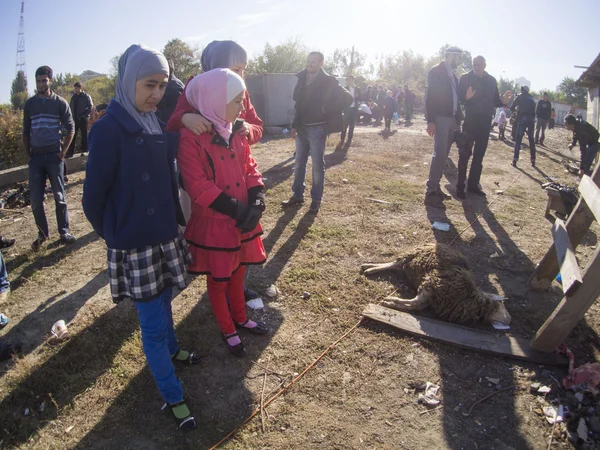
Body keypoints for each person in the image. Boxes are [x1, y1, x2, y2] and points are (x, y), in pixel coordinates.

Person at [83, 44, 200, 432]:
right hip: (136, 244)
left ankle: (173, 349)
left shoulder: (154, 121)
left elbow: (168, 180)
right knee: (150, 322)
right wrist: (118, 233)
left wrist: (175, 219)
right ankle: (172, 393)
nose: (157, 94)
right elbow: (93, 200)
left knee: (166, 296)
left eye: (163, 85)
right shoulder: (107, 129)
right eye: (149, 84)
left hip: (165, 233)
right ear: (128, 81)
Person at [177, 68, 268, 358]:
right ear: (216, 99)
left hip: (241, 219)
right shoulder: (192, 137)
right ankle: (228, 328)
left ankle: (241, 318)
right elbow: (197, 184)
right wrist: (234, 208)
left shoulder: (236, 130)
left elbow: (249, 167)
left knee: (239, 273)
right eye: (237, 100)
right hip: (217, 222)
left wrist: (257, 198)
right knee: (219, 280)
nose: (243, 107)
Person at [166, 40, 264, 302]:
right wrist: (186, 118)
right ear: (215, 67)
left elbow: (257, 126)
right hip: (205, 176)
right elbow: (173, 121)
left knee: (240, 229)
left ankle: (237, 285)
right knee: (210, 227)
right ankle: (214, 274)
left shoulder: (240, 91)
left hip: (235, 172)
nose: (240, 75)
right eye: (235, 68)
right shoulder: (195, 86)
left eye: (244, 69)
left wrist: (248, 130)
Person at [281, 51, 352, 213]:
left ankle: (316, 200)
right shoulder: (302, 78)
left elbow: (348, 98)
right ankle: (297, 195)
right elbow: (298, 104)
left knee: (317, 165)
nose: (309, 63)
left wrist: (329, 108)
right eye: (308, 60)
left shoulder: (328, 81)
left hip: (318, 128)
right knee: (299, 163)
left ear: (321, 63)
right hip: (302, 128)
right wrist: (294, 125)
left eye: (313, 61)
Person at [23, 66, 76, 251]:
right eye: (38, 81)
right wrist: (29, 155)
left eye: (44, 80)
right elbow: (26, 131)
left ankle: (64, 231)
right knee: (36, 200)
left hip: (54, 157)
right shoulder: (30, 104)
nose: (40, 84)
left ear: (50, 81)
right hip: (36, 159)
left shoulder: (60, 103)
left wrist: (62, 153)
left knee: (59, 196)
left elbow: (71, 127)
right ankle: (42, 233)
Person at [456, 56, 512, 198]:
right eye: (474, 64)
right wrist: (466, 98)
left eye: (479, 64)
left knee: (479, 155)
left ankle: (473, 185)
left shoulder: (491, 80)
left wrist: (503, 101)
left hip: (485, 122)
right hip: (471, 121)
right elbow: (458, 98)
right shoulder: (465, 78)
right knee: (464, 153)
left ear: (485, 65)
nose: (476, 67)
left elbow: (495, 101)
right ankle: (460, 186)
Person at [424, 46, 463, 209]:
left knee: (444, 155)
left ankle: (436, 188)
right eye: (458, 57)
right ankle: (430, 192)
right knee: (439, 154)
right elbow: (430, 97)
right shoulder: (437, 71)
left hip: (451, 118)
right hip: (440, 118)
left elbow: (455, 98)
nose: (460, 61)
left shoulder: (452, 75)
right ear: (450, 56)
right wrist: (431, 120)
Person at [511, 85, 537, 167]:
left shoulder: (520, 96)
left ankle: (515, 160)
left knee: (518, 139)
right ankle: (533, 160)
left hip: (522, 119)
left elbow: (512, 107)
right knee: (531, 140)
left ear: (522, 90)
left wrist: (516, 112)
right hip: (531, 120)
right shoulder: (532, 99)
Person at [67, 82, 93, 157]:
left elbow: (90, 106)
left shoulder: (86, 96)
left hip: (83, 119)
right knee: (73, 135)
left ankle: (85, 150)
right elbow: (70, 107)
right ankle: (70, 153)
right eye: (74, 88)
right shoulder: (74, 97)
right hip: (74, 119)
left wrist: (84, 115)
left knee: (84, 135)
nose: (75, 90)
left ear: (80, 88)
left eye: (76, 88)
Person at [337, 75, 361, 151]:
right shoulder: (345, 88)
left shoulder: (358, 89)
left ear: (353, 80)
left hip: (354, 109)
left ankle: (349, 139)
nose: (348, 81)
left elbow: (362, 98)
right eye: (347, 80)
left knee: (352, 125)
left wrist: (357, 96)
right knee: (345, 125)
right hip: (347, 109)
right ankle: (342, 139)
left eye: (349, 79)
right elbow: (341, 99)